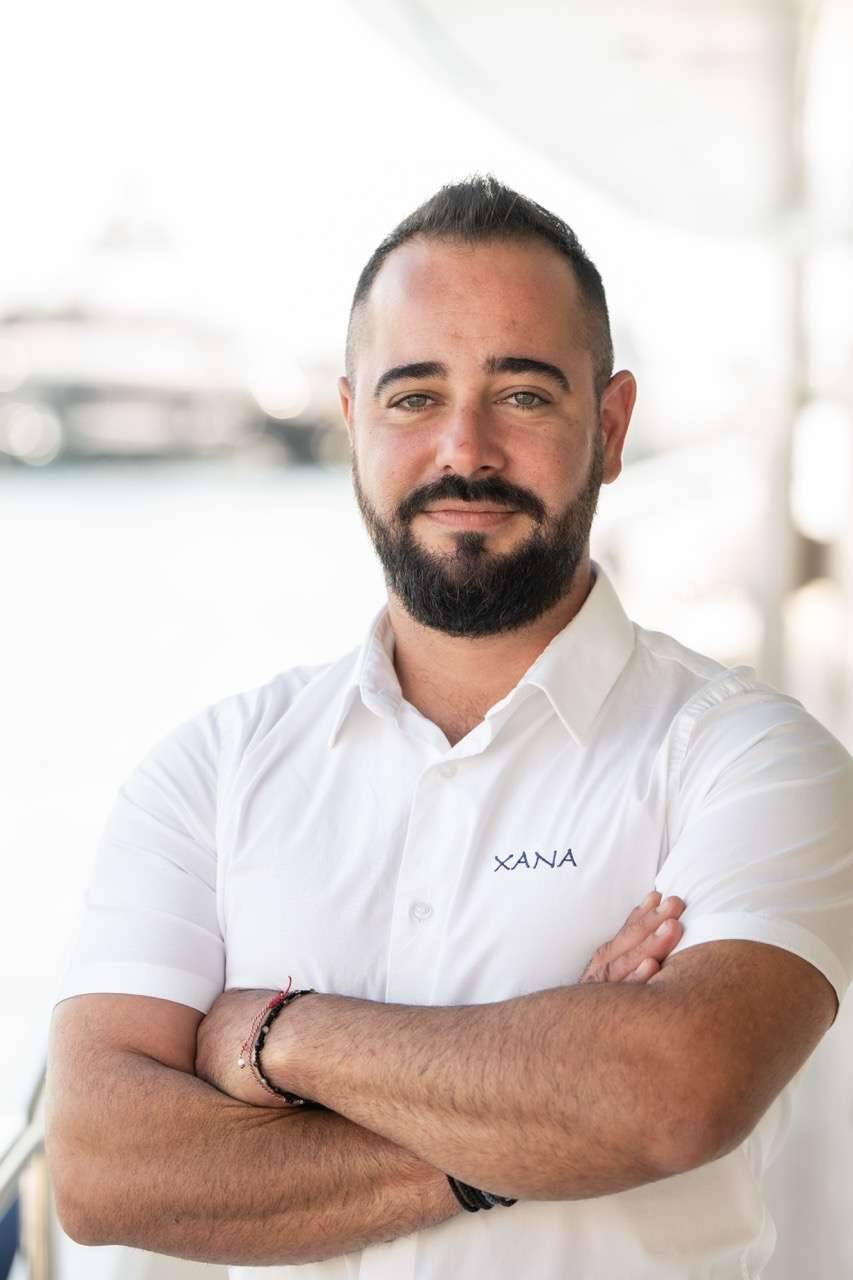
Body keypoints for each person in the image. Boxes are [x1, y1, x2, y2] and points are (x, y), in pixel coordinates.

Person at [45, 176, 853, 1279]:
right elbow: (101, 1170)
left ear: (610, 426)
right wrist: (554, 1117)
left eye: (521, 394)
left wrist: (274, 1035)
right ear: (353, 423)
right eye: (414, 397)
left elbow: (672, 1096)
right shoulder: (211, 771)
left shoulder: (751, 759)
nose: (463, 449)